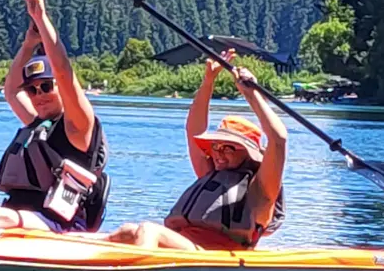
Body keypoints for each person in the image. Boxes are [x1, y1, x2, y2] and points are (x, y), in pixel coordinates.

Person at [0, 0, 107, 233]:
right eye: (33, 89)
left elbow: (64, 72)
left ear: (60, 87)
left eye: (46, 87)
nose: (38, 95)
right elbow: (12, 90)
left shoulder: (79, 126)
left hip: (60, 225)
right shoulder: (37, 122)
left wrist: (41, 17)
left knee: (2, 218)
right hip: (23, 217)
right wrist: (28, 45)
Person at [112, 62, 287, 253]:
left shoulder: (261, 189)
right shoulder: (211, 173)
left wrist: (251, 94)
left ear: (247, 153)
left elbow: (278, 139)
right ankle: (79, 250)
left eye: (228, 148)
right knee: (128, 231)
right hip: (187, 245)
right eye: (215, 147)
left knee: (149, 230)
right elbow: (193, 130)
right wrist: (208, 82)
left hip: (216, 255)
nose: (218, 154)